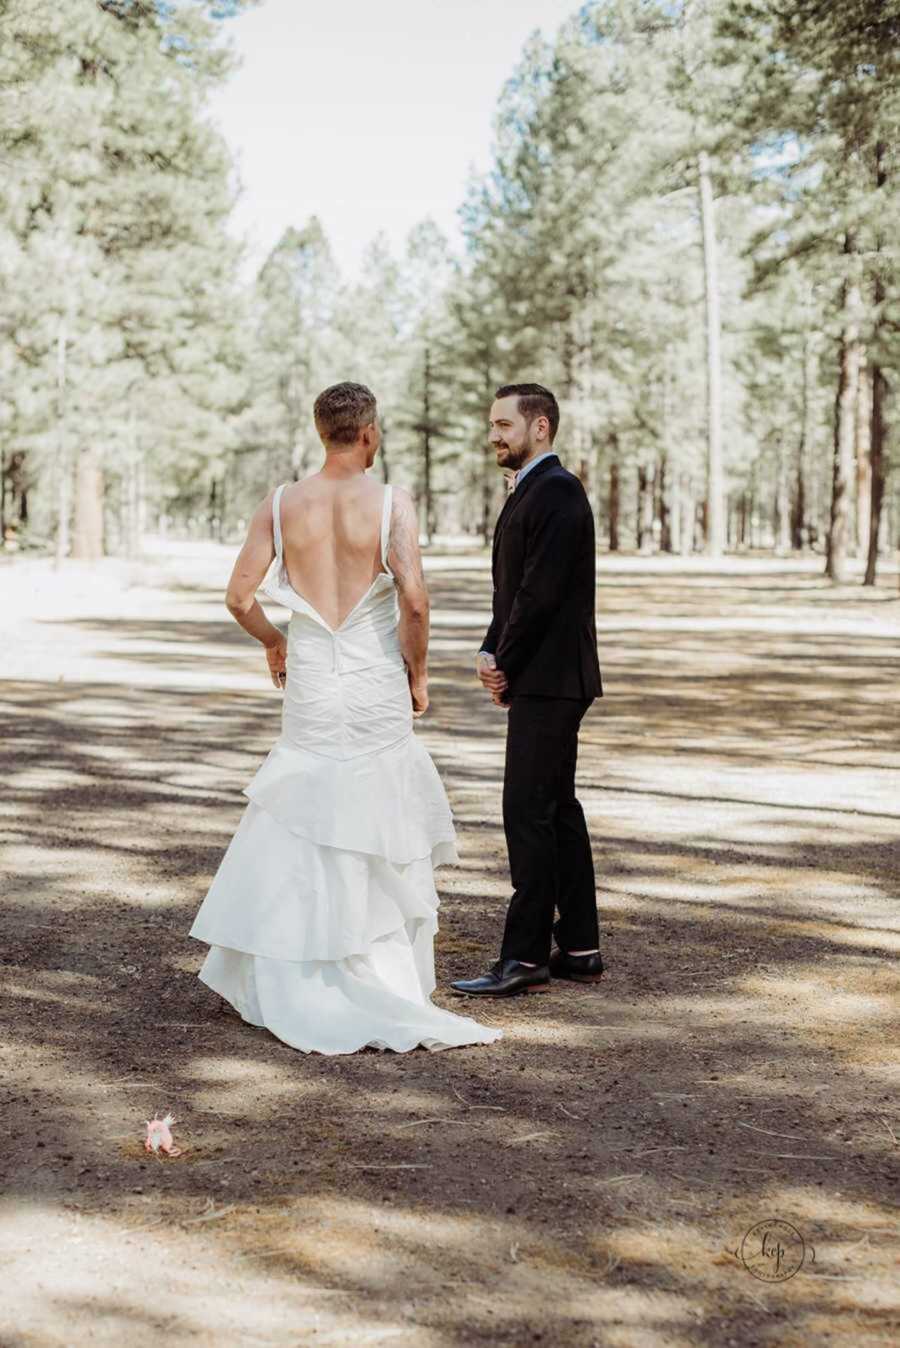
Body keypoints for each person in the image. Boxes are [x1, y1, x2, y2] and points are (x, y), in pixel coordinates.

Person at [189, 381, 502, 1054]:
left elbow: (239, 596)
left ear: (320, 430)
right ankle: (380, 969)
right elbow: (413, 599)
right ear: (368, 434)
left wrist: (275, 640)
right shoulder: (391, 503)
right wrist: (416, 673)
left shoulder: (280, 504)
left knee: (303, 808)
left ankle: (293, 967)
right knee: (377, 804)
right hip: (371, 681)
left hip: (310, 680)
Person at [450, 383, 604, 998]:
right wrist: (492, 652)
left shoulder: (559, 492)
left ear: (540, 428)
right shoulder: (528, 492)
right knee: (557, 809)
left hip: (553, 679)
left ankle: (524, 958)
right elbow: (508, 594)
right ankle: (581, 948)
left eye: (504, 424)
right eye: (492, 424)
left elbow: (540, 596)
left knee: (528, 812)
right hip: (537, 675)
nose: (494, 434)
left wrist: (504, 662)